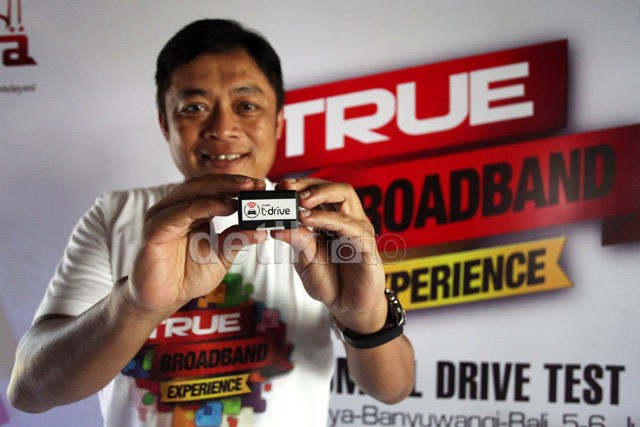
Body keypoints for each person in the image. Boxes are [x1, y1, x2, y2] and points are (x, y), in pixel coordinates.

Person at [8, 19, 415, 426]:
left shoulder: (323, 221)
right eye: (194, 107)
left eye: (247, 106)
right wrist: (136, 306)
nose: (222, 129)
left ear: (278, 122)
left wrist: (365, 318)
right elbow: (28, 389)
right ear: (165, 123)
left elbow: (394, 388)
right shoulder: (117, 213)